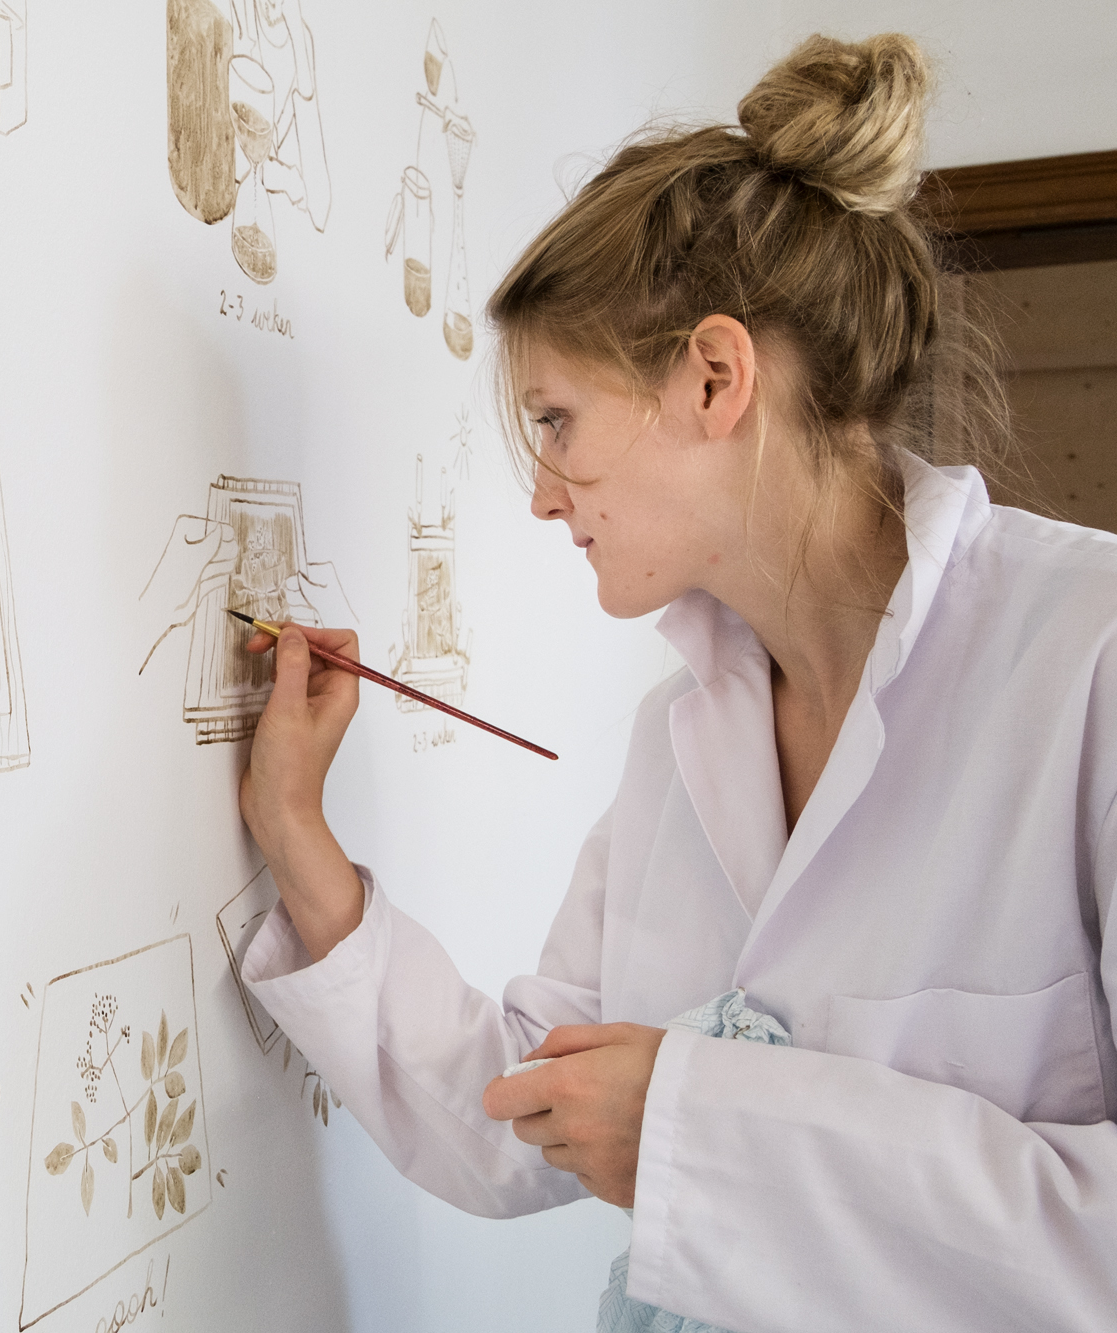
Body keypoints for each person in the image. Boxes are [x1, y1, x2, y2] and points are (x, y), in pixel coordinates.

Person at [234, 32, 1117, 1333]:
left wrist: (699, 1128)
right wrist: (296, 833)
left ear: (714, 377)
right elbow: (525, 1107)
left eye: (556, 421)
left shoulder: (1089, 653)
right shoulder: (679, 739)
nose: (543, 495)